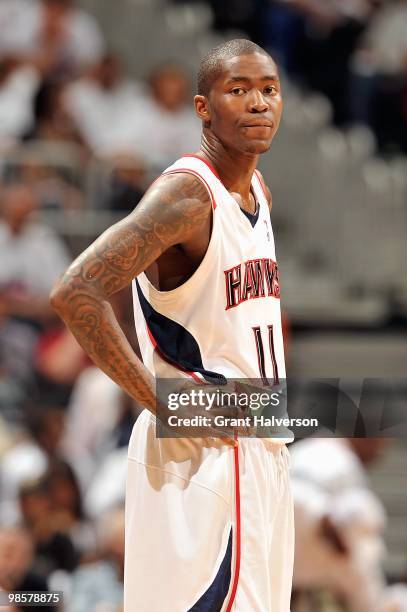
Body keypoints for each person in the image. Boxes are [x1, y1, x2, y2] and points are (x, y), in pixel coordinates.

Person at [50, 38, 294, 611]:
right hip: (207, 442)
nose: (258, 103)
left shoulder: (257, 191)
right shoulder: (188, 195)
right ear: (203, 107)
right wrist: (158, 400)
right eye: (238, 91)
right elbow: (74, 290)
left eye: (269, 90)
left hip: (258, 439)